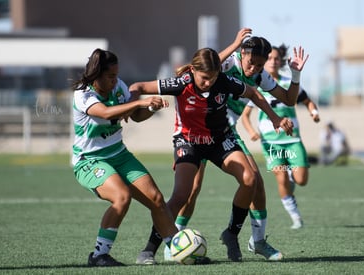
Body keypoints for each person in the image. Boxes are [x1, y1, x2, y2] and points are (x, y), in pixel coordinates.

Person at [130, 45, 307, 264]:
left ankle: (232, 233)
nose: (209, 83)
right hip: (189, 141)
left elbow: (252, 92)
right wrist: (135, 104)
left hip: (219, 138)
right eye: (204, 78)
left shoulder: (223, 80)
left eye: (213, 78)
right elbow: (137, 86)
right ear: (193, 71)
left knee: (250, 179)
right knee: (182, 195)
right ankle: (148, 250)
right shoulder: (180, 82)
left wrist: (274, 118)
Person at [71, 48, 178, 267]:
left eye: (116, 76)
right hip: (89, 161)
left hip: (119, 154)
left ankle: (178, 249)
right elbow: (106, 113)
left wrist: (150, 107)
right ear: (96, 75)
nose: (115, 81)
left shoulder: (118, 87)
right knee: (121, 197)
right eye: (110, 76)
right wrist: (139, 101)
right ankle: (99, 255)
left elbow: (136, 117)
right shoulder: (83, 95)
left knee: (156, 199)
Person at [242, 43, 319, 230]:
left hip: (292, 139)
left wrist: (313, 111)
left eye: (276, 58)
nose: (273, 61)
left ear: (281, 61)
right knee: (281, 178)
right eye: (269, 58)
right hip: (271, 142)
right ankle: (295, 217)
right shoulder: (256, 85)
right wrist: (252, 131)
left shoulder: (287, 82)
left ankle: (293, 182)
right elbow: (245, 115)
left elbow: (305, 100)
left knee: (301, 179)